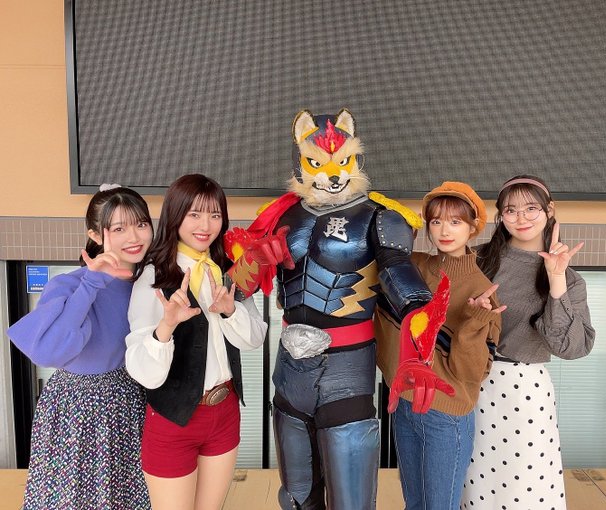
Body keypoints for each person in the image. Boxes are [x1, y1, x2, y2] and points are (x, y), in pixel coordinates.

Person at [224, 109, 444, 510]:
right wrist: (251, 261)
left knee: (351, 501)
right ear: (300, 161)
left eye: (342, 161)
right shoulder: (280, 214)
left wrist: (418, 313)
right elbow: (234, 293)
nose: (332, 173)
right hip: (290, 371)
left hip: (348, 369)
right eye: (318, 162)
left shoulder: (380, 216)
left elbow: (396, 268)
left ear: (355, 159)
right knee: (296, 497)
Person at [125, 173, 267, 510]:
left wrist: (231, 311)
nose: (206, 225)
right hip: (173, 420)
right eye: (195, 214)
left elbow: (254, 338)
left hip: (224, 412)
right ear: (175, 216)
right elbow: (144, 373)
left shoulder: (230, 270)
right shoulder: (154, 275)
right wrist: (166, 327)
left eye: (215, 215)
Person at [7, 185, 153, 510]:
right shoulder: (69, 284)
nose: (134, 236)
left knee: (127, 496)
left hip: (130, 403)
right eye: (119, 228)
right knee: (72, 497)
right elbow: (49, 350)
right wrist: (91, 282)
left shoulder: (149, 282)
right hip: (76, 409)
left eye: (141, 224)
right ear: (95, 235)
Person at [461, 175, 596, 510]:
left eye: (531, 208)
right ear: (501, 215)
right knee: (472, 483)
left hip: (525, 390)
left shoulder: (568, 278)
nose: (521, 218)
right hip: (468, 382)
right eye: (511, 210)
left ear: (549, 210)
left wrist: (556, 279)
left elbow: (571, 348)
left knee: (524, 487)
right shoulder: (476, 260)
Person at [374, 181, 504, 510]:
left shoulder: (481, 290)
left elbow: (471, 373)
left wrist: (474, 324)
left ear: (474, 226)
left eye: (456, 221)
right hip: (404, 405)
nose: (445, 230)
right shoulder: (412, 266)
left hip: (446, 418)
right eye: (436, 221)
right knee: (414, 505)